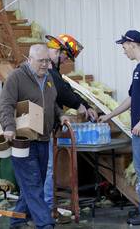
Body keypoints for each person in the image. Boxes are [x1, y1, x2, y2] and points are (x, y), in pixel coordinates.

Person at [0, 43, 69, 229]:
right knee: (33, 184)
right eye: (41, 61)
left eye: (47, 60)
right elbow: (5, 104)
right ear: (29, 60)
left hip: (43, 139)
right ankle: (45, 224)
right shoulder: (16, 77)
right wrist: (8, 127)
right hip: (22, 141)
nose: (45, 64)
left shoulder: (48, 78)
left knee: (31, 184)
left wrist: (60, 115)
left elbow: (51, 103)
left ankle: (17, 220)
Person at [98, 30, 140, 225]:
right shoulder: (139, 69)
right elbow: (133, 98)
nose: (124, 50)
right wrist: (109, 115)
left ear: (132, 44)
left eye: (124, 46)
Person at [43, 34, 98, 210]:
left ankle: (44, 207)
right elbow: (62, 92)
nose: (66, 60)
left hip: (48, 126)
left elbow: (66, 88)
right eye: (66, 56)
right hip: (41, 129)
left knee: (47, 170)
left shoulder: (53, 71)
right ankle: (45, 208)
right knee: (47, 170)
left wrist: (85, 104)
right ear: (57, 51)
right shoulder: (48, 70)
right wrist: (79, 105)